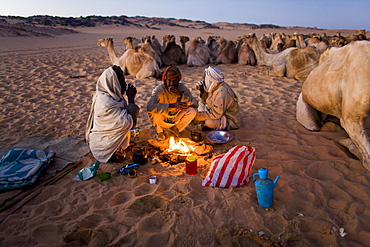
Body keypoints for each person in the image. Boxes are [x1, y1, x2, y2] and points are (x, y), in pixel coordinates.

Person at [85, 65, 140, 163]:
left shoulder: (112, 96)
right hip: (103, 149)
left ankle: (120, 146)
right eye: (121, 82)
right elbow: (127, 123)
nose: (125, 85)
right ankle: (116, 150)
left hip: (104, 142)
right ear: (113, 83)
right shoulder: (105, 102)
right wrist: (131, 99)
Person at [146, 66, 198, 140]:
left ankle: (176, 130)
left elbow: (195, 103)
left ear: (178, 80)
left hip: (176, 117)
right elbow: (150, 106)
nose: (172, 83)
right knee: (155, 113)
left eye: (174, 80)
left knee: (192, 111)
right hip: (164, 117)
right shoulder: (159, 90)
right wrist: (172, 106)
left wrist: (181, 96)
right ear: (165, 80)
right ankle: (160, 132)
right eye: (169, 80)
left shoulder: (182, 88)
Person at [195, 66, 240, 131]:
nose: (203, 81)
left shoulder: (221, 91)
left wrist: (200, 116)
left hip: (227, 118)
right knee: (200, 103)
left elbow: (216, 114)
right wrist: (202, 91)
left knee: (209, 122)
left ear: (210, 79)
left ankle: (217, 126)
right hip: (216, 111)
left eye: (204, 78)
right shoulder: (214, 86)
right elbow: (206, 101)